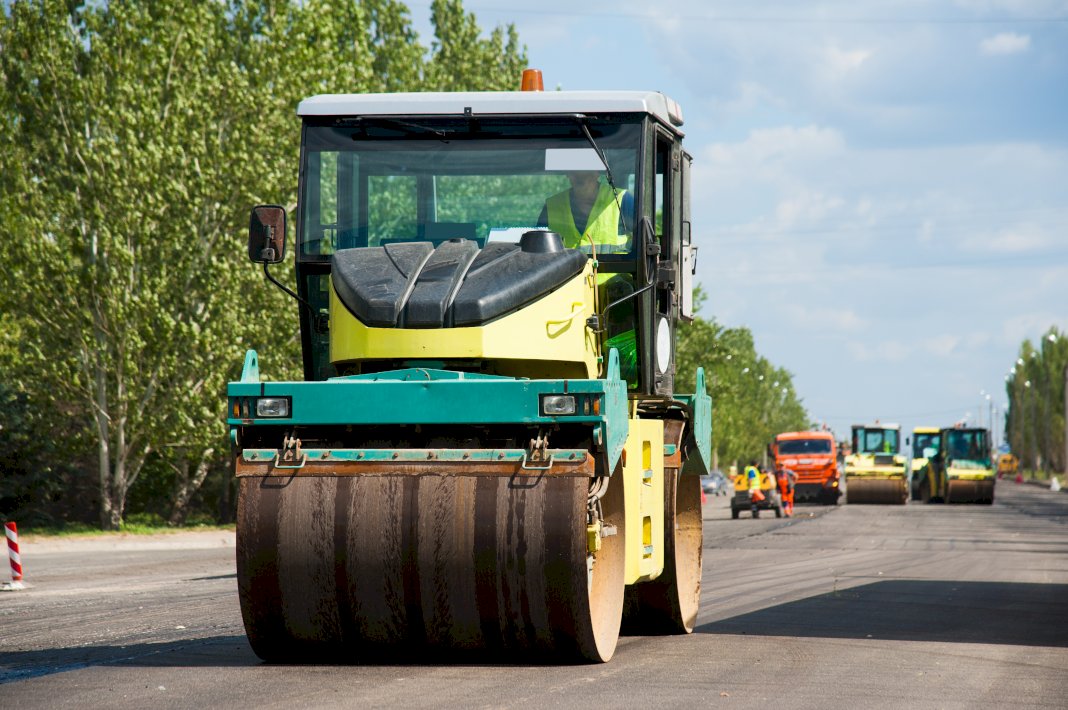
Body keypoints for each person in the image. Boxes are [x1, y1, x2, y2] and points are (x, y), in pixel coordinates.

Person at [537, 171, 633, 252]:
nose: (581, 174)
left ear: (597, 172)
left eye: (587, 169)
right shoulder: (551, 206)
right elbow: (536, 249)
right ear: (567, 173)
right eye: (575, 169)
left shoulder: (622, 200)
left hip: (616, 274)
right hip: (564, 275)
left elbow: (643, 244)